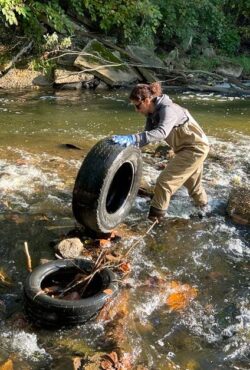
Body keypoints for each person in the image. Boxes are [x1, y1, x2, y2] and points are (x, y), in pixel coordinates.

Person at [112, 82, 210, 220]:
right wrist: (125, 151)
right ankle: (205, 211)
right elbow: (146, 136)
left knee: (164, 183)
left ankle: (156, 219)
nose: (136, 110)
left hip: (195, 149)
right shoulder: (151, 113)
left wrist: (133, 138)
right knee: (193, 185)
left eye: (137, 105)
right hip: (185, 149)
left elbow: (161, 132)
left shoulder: (167, 109)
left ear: (147, 101)